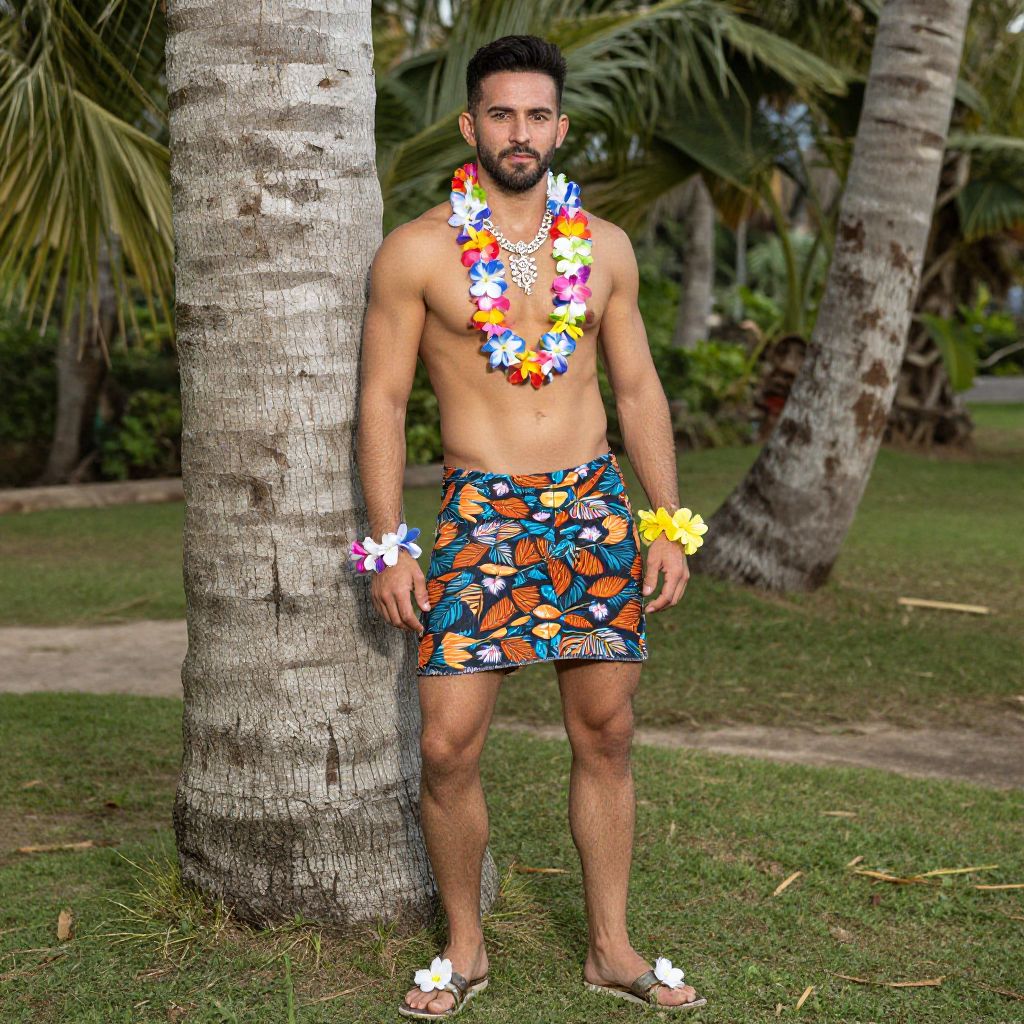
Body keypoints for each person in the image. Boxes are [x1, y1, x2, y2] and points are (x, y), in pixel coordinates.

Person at [354, 33, 705, 1018]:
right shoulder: (418, 251)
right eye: (502, 114)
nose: (520, 131)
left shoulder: (605, 248)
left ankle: (610, 947)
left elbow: (638, 390)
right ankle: (464, 949)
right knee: (445, 746)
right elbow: (381, 403)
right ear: (471, 124)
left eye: (537, 115)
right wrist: (389, 544)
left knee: (606, 731)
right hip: (480, 513)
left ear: (560, 127)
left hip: (592, 507)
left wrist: (666, 524)